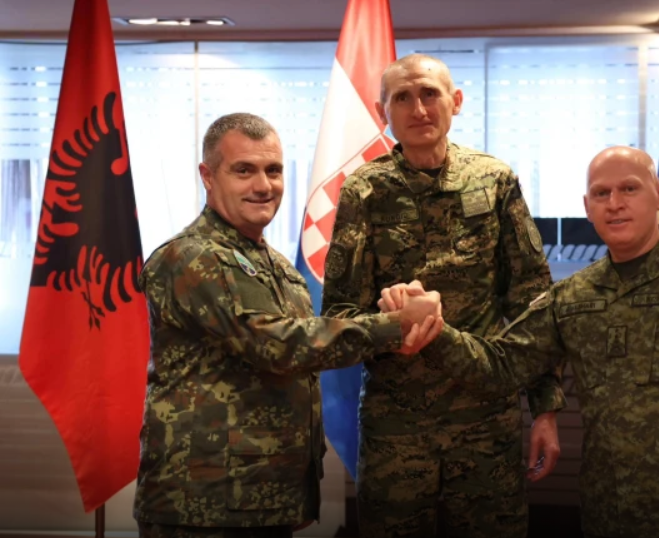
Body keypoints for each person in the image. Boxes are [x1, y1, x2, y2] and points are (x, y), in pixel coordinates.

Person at [411, 146, 659, 538]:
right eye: (601, 193)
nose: (615, 204)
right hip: (607, 515)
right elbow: (502, 365)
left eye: (629, 188)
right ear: (587, 207)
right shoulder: (574, 296)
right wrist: (435, 331)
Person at [133, 113, 443, 538]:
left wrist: (297, 490)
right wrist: (393, 326)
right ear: (207, 176)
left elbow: (301, 366)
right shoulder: (190, 257)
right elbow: (277, 346)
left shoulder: (278, 267)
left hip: (264, 497)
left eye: (273, 170)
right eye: (244, 170)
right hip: (203, 504)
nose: (263, 185)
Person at [321, 53, 565, 538]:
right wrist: (390, 325)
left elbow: (532, 303)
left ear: (455, 101)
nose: (418, 109)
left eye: (429, 94)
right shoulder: (364, 191)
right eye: (402, 98)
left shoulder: (494, 180)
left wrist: (546, 409)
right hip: (396, 426)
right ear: (384, 111)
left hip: (486, 419)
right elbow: (338, 313)